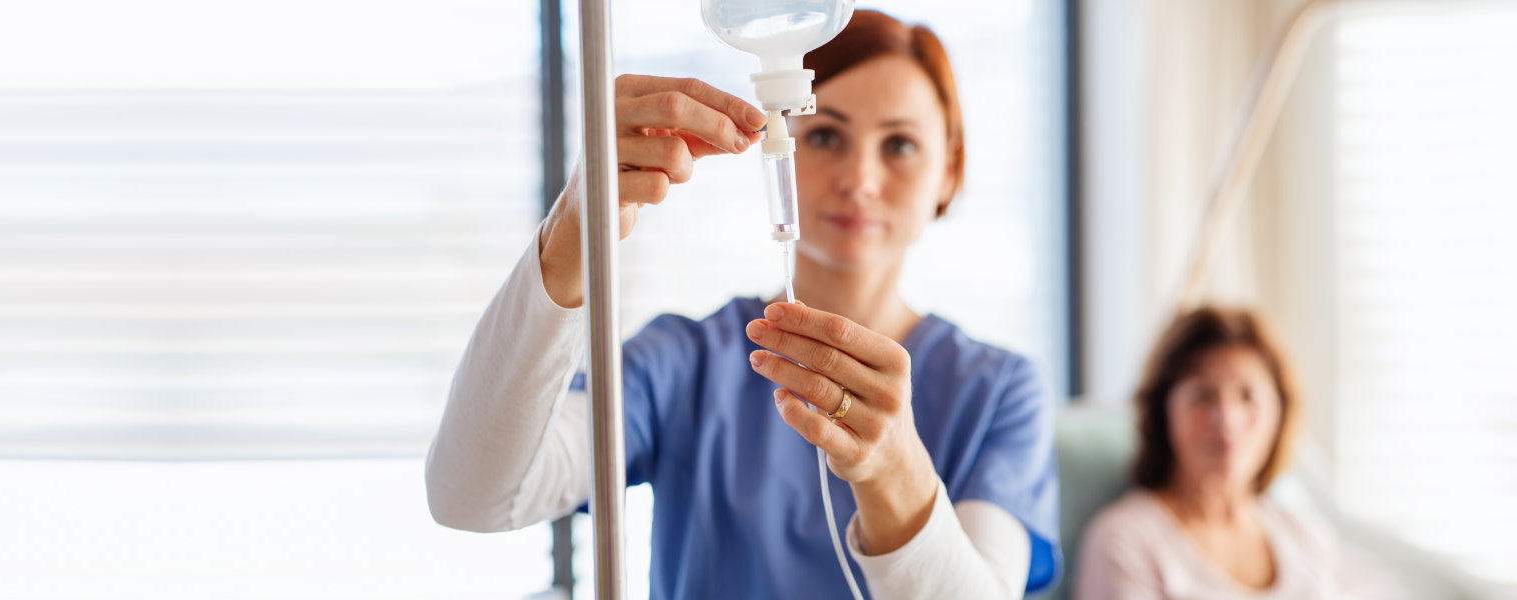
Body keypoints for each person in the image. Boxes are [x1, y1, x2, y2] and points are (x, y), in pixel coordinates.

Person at [424, 10, 1058, 600]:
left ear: (949, 171)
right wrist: (571, 234)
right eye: (827, 136)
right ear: (780, 137)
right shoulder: (686, 363)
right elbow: (473, 495)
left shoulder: (997, 393)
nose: (859, 180)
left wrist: (894, 471)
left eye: (899, 146)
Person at [1074, 308, 1334, 598]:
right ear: (1163, 412)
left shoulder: (1306, 537)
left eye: (1247, 395)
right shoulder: (1126, 542)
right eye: (1202, 396)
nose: (1226, 420)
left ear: (1280, 411)